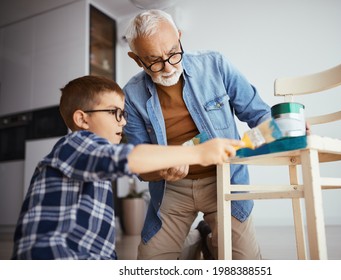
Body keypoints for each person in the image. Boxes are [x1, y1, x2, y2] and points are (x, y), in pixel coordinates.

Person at [11, 75, 243, 260]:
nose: (122, 121)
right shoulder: (76, 142)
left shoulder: (89, 161)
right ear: (82, 120)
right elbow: (128, 157)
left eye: (123, 114)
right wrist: (198, 153)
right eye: (115, 113)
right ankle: (196, 242)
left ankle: (194, 242)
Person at [123, 9, 271, 260]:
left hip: (225, 179)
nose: (168, 67)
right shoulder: (131, 96)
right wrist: (164, 168)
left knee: (246, 266)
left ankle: (209, 238)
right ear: (137, 59)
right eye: (154, 61)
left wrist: (287, 124)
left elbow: (260, 114)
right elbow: (141, 167)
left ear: (179, 37)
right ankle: (192, 239)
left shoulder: (215, 65)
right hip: (172, 190)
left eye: (173, 53)